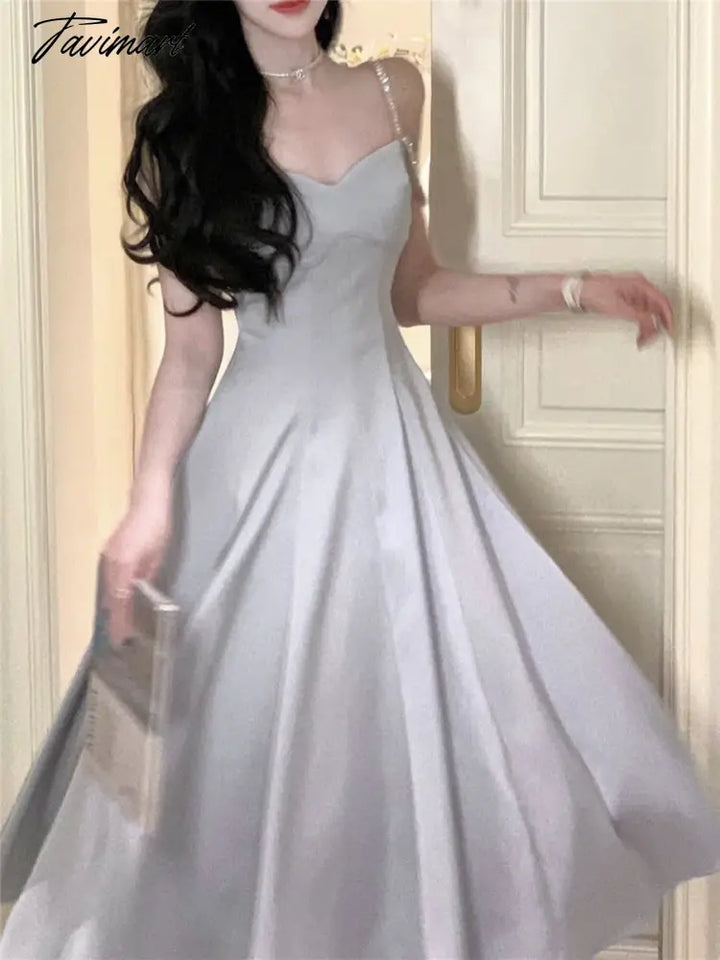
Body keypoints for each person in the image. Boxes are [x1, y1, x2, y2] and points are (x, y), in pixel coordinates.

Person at [2, 1, 720, 958]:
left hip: (397, 459)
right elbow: (189, 356)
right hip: (254, 473)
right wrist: (148, 505)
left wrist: (575, 288)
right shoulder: (185, 134)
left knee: (436, 729)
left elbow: (415, 290)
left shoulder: (397, 89)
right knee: (208, 752)